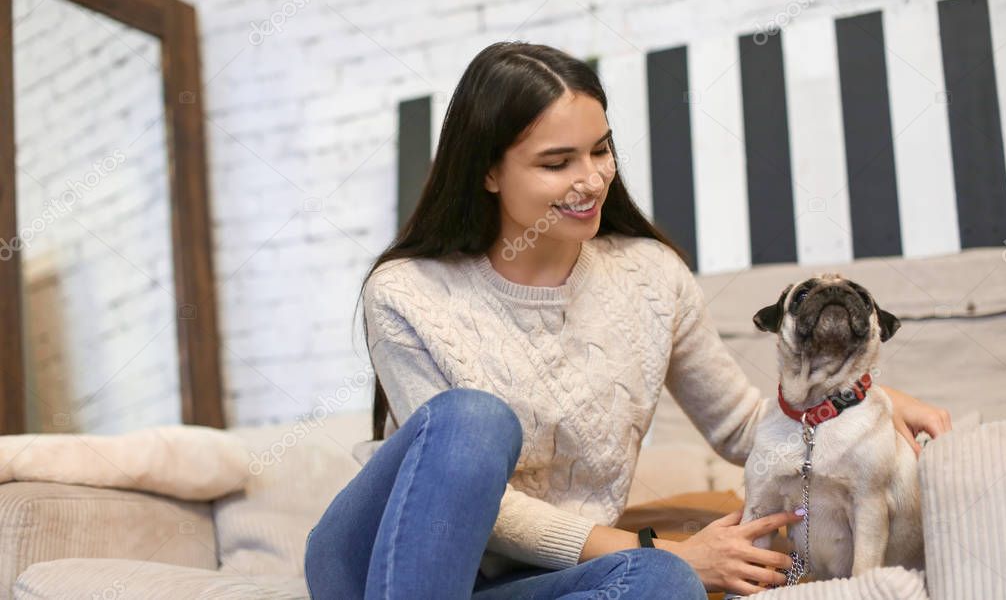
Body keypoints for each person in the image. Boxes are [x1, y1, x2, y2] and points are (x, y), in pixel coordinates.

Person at [304, 41, 952, 599]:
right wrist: (652, 542)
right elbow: (480, 505)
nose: (591, 180)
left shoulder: (650, 276)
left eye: (601, 150)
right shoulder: (406, 293)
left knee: (662, 586)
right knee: (473, 419)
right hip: (379, 564)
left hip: (521, 583)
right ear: (488, 172)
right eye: (557, 163)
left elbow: (744, 428)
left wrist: (858, 398)